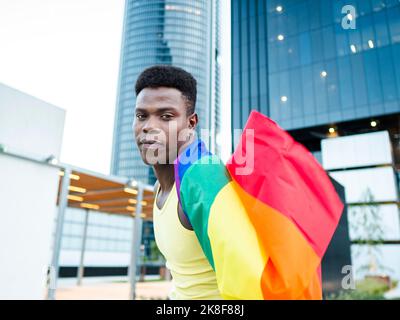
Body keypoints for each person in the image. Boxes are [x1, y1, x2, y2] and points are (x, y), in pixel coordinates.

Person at [133, 65, 222, 300]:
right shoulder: (158, 189)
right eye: (141, 115)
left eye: (166, 116)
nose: (148, 126)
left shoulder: (204, 177)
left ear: (191, 123)